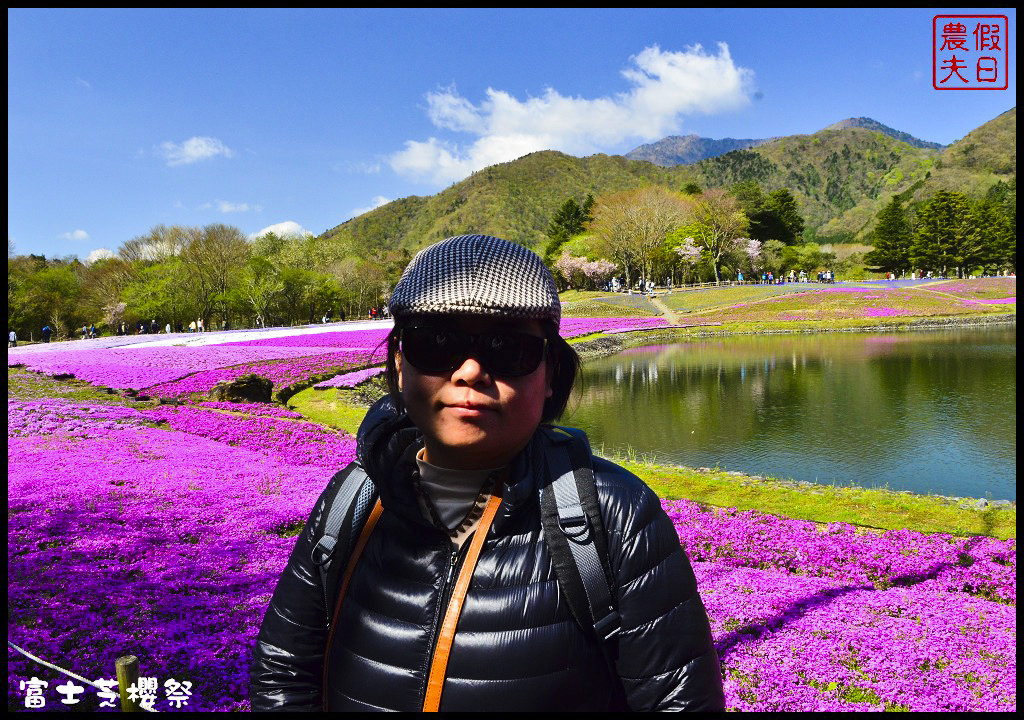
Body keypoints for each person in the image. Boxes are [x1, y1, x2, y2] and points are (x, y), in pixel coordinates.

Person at [250, 234, 724, 712]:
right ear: (397, 362)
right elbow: (283, 673)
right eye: (437, 343)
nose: (470, 371)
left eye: (508, 349)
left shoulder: (615, 515)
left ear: (551, 372)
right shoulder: (352, 500)